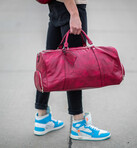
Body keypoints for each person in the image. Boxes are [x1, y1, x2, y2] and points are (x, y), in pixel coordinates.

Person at [34, 0, 111, 140]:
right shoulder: (73, 12)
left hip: (56, 8)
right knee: (75, 70)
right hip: (71, 8)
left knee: (48, 65)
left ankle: (42, 118)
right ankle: (79, 126)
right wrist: (74, 13)